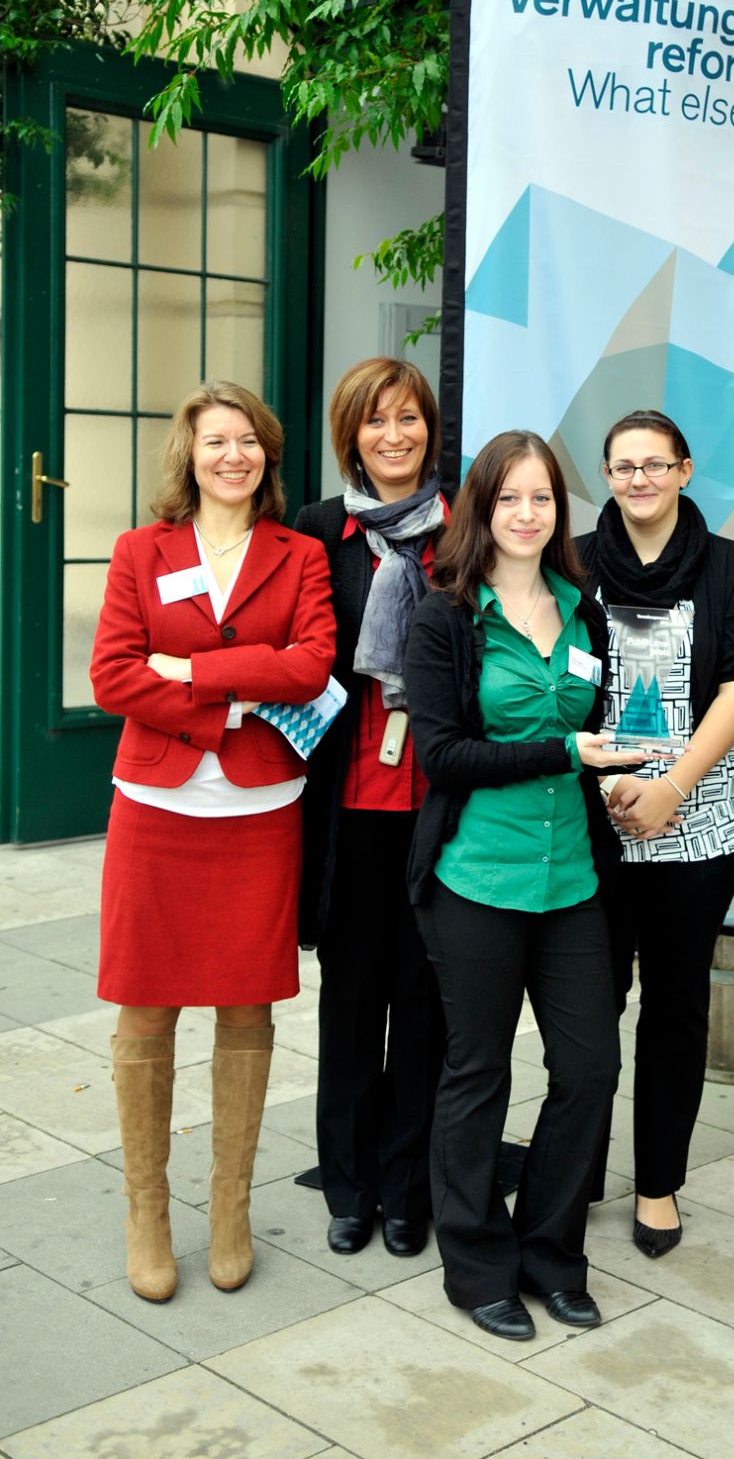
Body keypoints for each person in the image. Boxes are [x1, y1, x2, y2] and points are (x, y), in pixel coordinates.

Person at [90, 381, 335, 1301]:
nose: (231, 455)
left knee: (245, 1010)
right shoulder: (138, 551)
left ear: (268, 456)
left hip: (258, 814)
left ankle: (228, 1204)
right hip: (155, 809)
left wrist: (191, 670)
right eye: (214, 441)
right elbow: (113, 674)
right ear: (187, 455)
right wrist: (234, 700)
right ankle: (146, 1209)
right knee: (145, 1011)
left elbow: (309, 664)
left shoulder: (300, 554)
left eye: (248, 441)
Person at [404, 430, 638, 1341]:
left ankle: (551, 1254)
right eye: (510, 499)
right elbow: (440, 754)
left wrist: (610, 772)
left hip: (573, 879)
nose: (527, 514)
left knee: (587, 1069)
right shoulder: (446, 616)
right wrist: (563, 751)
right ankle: (477, 1267)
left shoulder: (586, 614)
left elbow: (596, 731)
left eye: (542, 498)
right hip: (477, 879)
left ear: (559, 511)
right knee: (478, 1072)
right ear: (481, 509)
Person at [576, 409, 734, 1258]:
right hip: (591, 809)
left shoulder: (728, 566)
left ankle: (657, 1185)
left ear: (685, 471)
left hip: (702, 810)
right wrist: (616, 783)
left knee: (674, 1003)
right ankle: (575, 1170)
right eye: (624, 466)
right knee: (586, 1001)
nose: (640, 479)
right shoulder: (573, 564)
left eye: (657, 465)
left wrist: (670, 786)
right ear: (607, 475)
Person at [295, 357, 446, 1259]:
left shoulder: (465, 527)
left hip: (438, 806)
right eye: (374, 422)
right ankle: (348, 1185)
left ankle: (406, 1185)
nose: (393, 436)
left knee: (426, 1002)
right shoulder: (317, 531)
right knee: (349, 1003)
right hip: (348, 807)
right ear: (349, 435)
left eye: (408, 419)